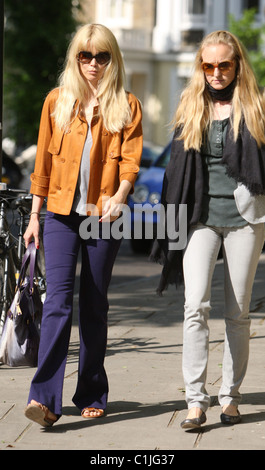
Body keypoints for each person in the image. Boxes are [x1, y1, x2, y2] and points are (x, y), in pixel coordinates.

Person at [23, 23, 143, 427]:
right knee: (56, 302)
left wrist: (120, 196)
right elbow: (41, 164)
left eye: (102, 56)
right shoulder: (56, 102)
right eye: (85, 56)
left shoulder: (126, 104)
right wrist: (34, 216)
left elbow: (130, 161)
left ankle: (92, 390)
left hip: (102, 216)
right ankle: (44, 400)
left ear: (113, 60)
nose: (93, 64)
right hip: (58, 213)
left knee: (94, 303)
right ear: (76, 58)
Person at [151, 30, 265, 430]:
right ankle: (196, 401)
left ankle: (230, 397)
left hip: (245, 221)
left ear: (237, 65)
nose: (216, 72)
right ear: (201, 67)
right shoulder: (191, 105)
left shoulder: (257, 104)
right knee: (194, 306)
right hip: (198, 218)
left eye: (224, 65)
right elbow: (176, 173)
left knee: (237, 313)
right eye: (208, 65)